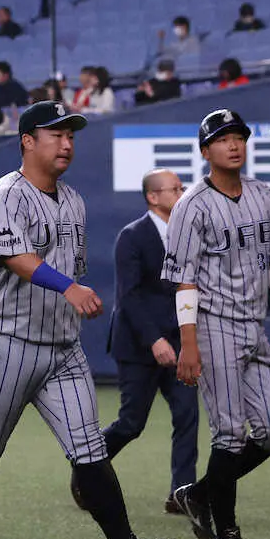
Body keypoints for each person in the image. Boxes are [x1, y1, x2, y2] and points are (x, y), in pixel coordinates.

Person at [0, 100, 182, 539]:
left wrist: (70, 292)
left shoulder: (73, 200)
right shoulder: (4, 194)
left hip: (62, 349)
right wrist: (67, 287)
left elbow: (74, 268)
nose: (67, 142)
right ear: (27, 140)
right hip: (6, 342)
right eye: (55, 133)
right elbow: (14, 256)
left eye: (71, 134)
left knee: (89, 449)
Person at [165, 109, 270, 539]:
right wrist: (188, 342)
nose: (233, 144)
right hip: (212, 324)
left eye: (239, 136)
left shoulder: (263, 195)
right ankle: (227, 534)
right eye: (222, 138)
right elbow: (184, 280)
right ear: (206, 151)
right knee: (228, 433)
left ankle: (200, 492)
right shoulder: (191, 205)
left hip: (254, 325)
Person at [84, 168, 197, 515]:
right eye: (174, 188)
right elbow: (129, 296)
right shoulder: (132, 236)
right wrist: (155, 340)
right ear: (153, 196)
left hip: (179, 343)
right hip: (138, 345)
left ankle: (181, 492)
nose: (182, 192)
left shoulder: (188, 236)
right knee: (131, 423)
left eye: (182, 186)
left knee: (187, 415)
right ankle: (86, 468)